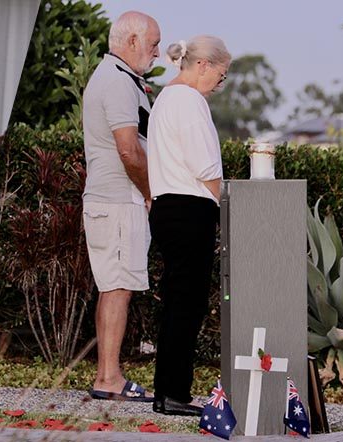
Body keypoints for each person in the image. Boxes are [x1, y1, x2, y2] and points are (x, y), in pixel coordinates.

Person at [147, 35, 231, 416]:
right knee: (188, 304)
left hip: (167, 207)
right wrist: (225, 202)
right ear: (203, 65)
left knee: (178, 302)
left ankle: (169, 390)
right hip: (190, 209)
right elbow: (206, 166)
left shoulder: (165, 97)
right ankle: (173, 394)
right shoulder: (190, 101)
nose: (219, 83)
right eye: (221, 74)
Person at [82, 11, 159, 402]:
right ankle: (108, 379)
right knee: (117, 288)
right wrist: (149, 192)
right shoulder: (116, 81)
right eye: (153, 44)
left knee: (115, 287)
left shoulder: (119, 78)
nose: (158, 53)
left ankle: (108, 375)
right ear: (131, 41)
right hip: (117, 200)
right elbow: (129, 150)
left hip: (113, 200)